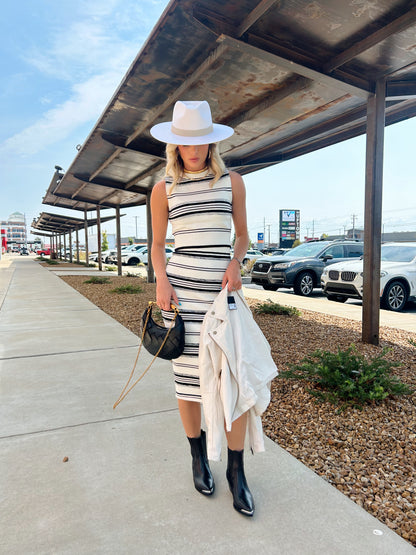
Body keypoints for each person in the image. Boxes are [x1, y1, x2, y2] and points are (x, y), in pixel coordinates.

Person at [150, 100, 254, 516]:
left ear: (212, 143)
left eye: (202, 143)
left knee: (233, 378)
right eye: (186, 144)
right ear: (174, 145)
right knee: (188, 380)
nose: (194, 152)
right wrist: (160, 277)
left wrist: (235, 261)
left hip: (223, 295)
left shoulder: (233, 182)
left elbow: (243, 236)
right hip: (182, 296)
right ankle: (196, 456)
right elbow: (157, 245)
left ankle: (236, 471)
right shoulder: (163, 189)